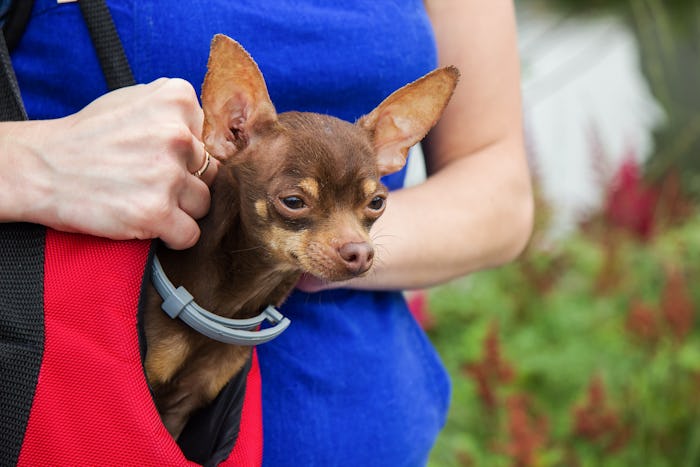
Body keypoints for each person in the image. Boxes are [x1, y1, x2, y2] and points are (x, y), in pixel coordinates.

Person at [1, 0, 532, 465]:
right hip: (61, 390)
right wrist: (28, 164)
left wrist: (313, 248)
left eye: (373, 205)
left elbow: (499, 188)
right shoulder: (244, 134)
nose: (360, 240)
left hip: (364, 418)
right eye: (296, 201)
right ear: (228, 126)